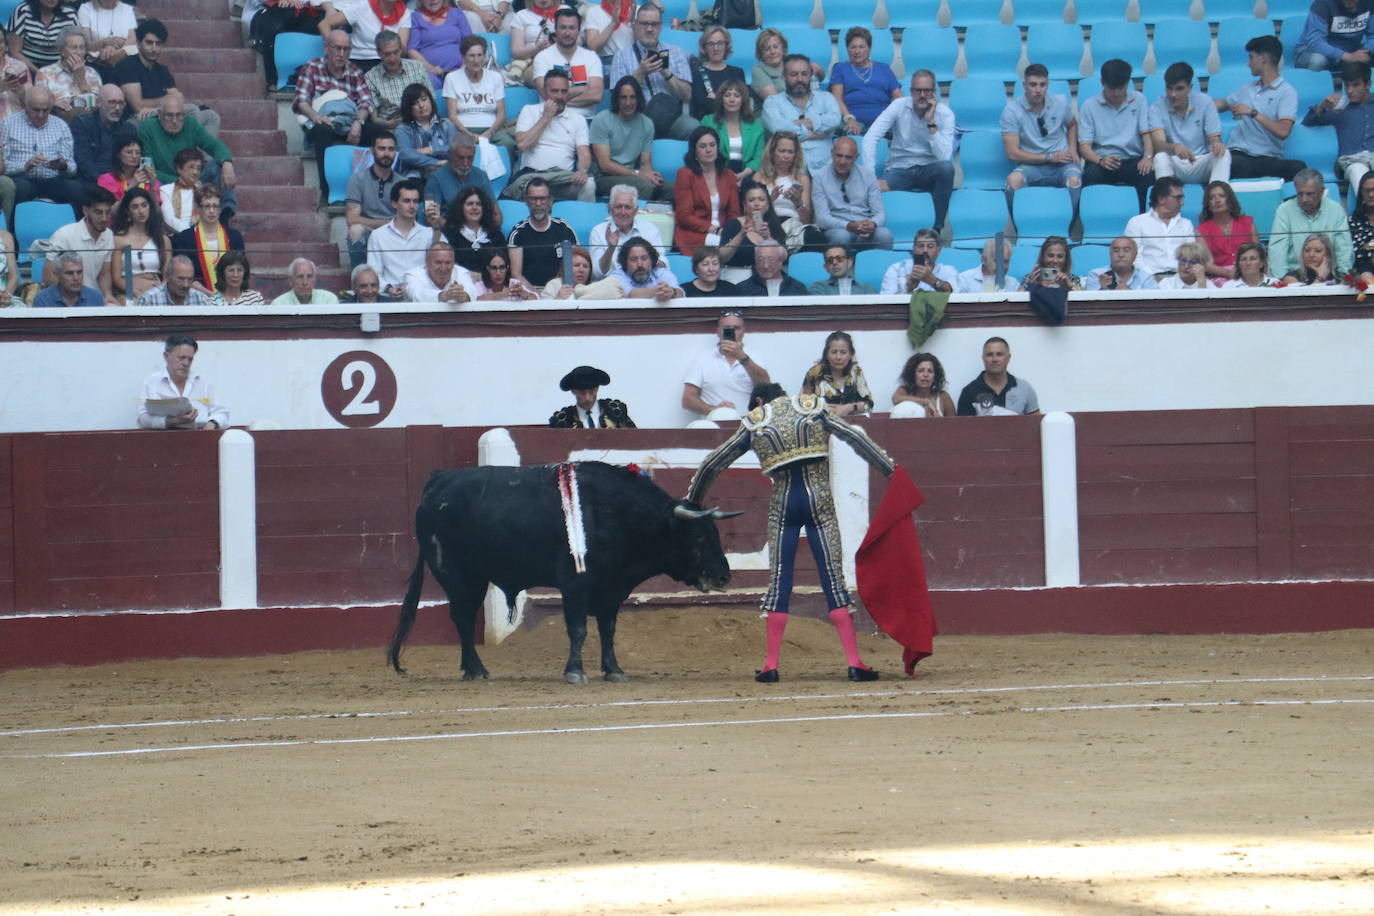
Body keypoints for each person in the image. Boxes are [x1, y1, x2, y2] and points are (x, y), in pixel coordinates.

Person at [684, 379, 893, 682]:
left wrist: (693, 500)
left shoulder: (755, 422)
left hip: (784, 503)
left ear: (758, 402)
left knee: (780, 581)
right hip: (819, 499)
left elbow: (714, 463)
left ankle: (771, 665)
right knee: (833, 578)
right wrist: (890, 469)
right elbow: (855, 438)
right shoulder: (812, 407)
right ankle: (854, 662)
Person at [294, 29, 381, 202]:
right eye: (337, 48)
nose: (341, 54)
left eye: (346, 49)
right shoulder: (312, 67)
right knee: (323, 132)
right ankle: (327, 192)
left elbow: (366, 102)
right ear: (327, 48)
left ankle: (374, 192)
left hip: (349, 122)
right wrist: (315, 116)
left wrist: (359, 121)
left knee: (378, 134)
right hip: (321, 121)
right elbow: (301, 100)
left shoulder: (355, 72)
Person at [864, 69, 955, 233]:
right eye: (917, 90)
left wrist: (931, 122)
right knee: (874, 188)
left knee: (947, 169)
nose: (922, 95)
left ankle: (936, 229)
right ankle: (874, 231)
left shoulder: (945, 114)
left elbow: (944, 156)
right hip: (900, 168)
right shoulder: (898, 106)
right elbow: (871, 137)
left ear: (934, 92)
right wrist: (870, 176)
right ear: (911, 91)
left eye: (926, 91)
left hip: (930, 168)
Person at [1217, 35, 1306, 181]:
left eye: (1251, 57)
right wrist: (1196, 104)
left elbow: (1283, 131)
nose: (1248, 63)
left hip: (1269, 158)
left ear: (1264, 58)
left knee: (1299, 168)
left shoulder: (1287, 92)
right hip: (1240, 154)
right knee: (1230, 163)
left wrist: (1253, 113)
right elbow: (1223, 104)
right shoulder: (1247, 88)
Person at [138, 91, 238, 219]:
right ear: (160, 115)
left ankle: (225, 213)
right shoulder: (147, 128)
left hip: (192, 177)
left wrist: (227, 163)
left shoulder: (190, 123)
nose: (175, 121)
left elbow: (214, 145)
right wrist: (181, 182)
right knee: (151, 181)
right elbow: (147, 167)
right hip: (164, 180)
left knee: (218, 165)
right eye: (169, 116)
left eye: (179, 115)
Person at [113, 19, 219, 134]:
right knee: (191, 110)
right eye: (149, 43)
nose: (154, 49)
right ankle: (183, 150)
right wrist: (166, 101)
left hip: (159, 113)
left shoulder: (162, 70)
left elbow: (178, 99)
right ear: (138, 43)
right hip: (135, 119)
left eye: (158, 44)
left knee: (211, 117)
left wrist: (159, 107)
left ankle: (195, 152)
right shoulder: (127, 65)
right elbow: (138, 106)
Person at [607, 3, 697, 140]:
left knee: (694, 129)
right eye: (644, 24)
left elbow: (686, 96)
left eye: (654, 24)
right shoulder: (621, 56)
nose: (649, 29)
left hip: (671, 117)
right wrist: (640, 73)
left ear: (660, 26)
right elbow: (616, 99)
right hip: (636, 120)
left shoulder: (676, 53)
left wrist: (668, 74)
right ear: (635, 25)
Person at [1077, 58, 1154, 211]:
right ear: (1102, 83)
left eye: (1121, 87)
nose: (1117, 93)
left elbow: (1147, 135)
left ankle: (1142, 220)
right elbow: (1084, 147)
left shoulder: (1139, 100)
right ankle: (1096, 221)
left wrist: (1148, 157)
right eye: (1112, 88)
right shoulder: (1089, 106)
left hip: (1133, 160)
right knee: (1090, 176)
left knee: (1149, 175)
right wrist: (1100, 160)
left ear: (1128, 82)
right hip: (1102, 160)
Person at [508, 69, 595, 202]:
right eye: (554, 91)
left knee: (588, 184)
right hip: (533, 177)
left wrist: (582, 170)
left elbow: (584, 154)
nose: (559, 96)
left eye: (564, 91)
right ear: (544, 91)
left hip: (562, 179)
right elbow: (523, 145)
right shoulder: (529, 111)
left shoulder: (578, 119)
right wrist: (546, 117)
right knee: (522, 185)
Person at [1002, 63, 1082, 203]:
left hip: (1063, 163)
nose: (1038, 90)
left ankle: (1069, 224)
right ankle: (1019, 225)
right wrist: (1049, 157)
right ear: (1024, 85)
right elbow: (1012, 153)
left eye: (1042, 85)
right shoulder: (1012, 111)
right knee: (1012, 181)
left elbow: (1072, 124)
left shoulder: (1060, 102)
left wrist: (1073, 149)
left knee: (1074, 180)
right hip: (1031, 165)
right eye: (1033, 85)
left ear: (1047, 85)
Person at [5, 85, 81, 217]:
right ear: (26, 106)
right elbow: (4, 166)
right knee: (21, 188)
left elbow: (72, 168)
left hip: (52, 179)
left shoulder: (61, 126)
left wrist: (63, 166)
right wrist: (25, 166)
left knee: (76, 189)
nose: (40, 115)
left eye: (45, 110)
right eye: (36, 110)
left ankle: (75, 232)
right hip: (23, 179)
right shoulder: (8, 124)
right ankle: (15, 232)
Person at [1149, 61, 1230, 186]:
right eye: (1169, 88)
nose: (1173, 94)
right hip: (1175, 162)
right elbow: (1158, 144)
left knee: (1224, 154)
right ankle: (1165, 200)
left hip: (1200, 161)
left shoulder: (1205, 101)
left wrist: (1216, 144)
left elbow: (1214, 138)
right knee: (1160, 157)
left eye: (1179, 88)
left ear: (1189, 88)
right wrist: (1174, 147)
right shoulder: (1156, 107)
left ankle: (1216, 196)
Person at [681, 309, 771, 416]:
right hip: (714, 423)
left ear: (743, 332)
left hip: (746, 424)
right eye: (727, 328)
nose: (732, 332)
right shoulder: (703, 359)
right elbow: (687, 400)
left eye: (736, 328)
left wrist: (742, 357)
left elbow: (766, 387)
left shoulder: (754, 357)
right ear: (718, 332)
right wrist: (715, 410)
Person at [762, 54, 841, 174]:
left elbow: (835, 120)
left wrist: (806, 124)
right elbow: (779, 129)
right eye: (793, 75)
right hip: (789, 172)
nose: (800, 79)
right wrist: (816, 132)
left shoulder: (826, 98)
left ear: (810, 75)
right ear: (784, 76)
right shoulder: (773, 102)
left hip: (826, 171)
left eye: (804, 74)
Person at [1268, 167, 1353, 277]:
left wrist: (1343, 276)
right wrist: (1283, 281)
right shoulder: (1284, 210)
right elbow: (1277, 252)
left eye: (1309, 194)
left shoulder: (1335, 210)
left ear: (1321, 191)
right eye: (1300, 193)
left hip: (1330, 276)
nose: (1304, 199)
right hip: (1294, 276)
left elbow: (1344, 249)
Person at [1301, 59, 1374, 187]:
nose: (1350, 90)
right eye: (1347, 85)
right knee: (1358, 172)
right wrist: (1321, 106)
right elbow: (1307, 122)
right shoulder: (1340, 107)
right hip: (1350, 161)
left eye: (1356, 85)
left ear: (1368, 84)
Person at [589, 76, 663, 202]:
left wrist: (651, 176)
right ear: (617, 99)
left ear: (639, 98)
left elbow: (645, 164)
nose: (628, 103)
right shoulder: (602, 119)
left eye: (632, 97)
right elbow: (605, 165)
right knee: (644, 186)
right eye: (623, 97)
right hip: (604, 178)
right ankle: (635, 220)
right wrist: (638, 174)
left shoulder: (647, 123)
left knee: (674, 189)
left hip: (633, 176)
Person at [812, 135, 892, 250]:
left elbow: (880, 214)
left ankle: (883, 267)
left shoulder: (868, 176)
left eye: (848, 157)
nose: (842, 161)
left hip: (864, 228)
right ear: (832, 153)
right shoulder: (819, 177)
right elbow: (822, 219)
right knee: (842, 236)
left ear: (856, 157)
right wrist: (849, 226)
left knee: (884, 235)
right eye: (839, 156)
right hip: (837, 229)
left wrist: (872, 224)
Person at [137, 334, 228, 430]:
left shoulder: (203, 382)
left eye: (190, 359)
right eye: (181, 358)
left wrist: (212, 424)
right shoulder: (153, 382)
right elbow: (142, 418)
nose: (186, 363)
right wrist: (170, 421)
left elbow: (222, 413)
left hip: (200, 436)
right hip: (163, 437)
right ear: (166, 356)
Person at [673, 124, 739, 255]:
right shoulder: (685, 174)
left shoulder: (728, 175)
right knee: (731, 248)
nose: (709, 150)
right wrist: (714, 229)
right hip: (695, 234)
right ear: (694, 151)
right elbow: (684, 217)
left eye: (712, 145)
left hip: (723, 234)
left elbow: (734, 213)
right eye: (703, 146)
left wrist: (729, 232)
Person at [442, 35, 513, 157]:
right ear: (463, 58)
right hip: (463, 129)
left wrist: (488, 134)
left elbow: (501, 114)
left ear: (485, 56)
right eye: (471, 56)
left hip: (491, 129)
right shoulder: (452, 78)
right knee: (457, 147)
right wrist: (469, 135)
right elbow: (452, 116)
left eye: (480, 55)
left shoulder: (495, 77)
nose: (476, 60)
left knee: (508, 143)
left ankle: (509, 176)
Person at [43, 184, 114, 298]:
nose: (104, 218)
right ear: (85, 211)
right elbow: (49, 276)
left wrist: (107, 295)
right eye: (98, 212)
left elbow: (104, 274)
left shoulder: (109, 235)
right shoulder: (64, 235)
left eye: (108, 212)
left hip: (93, 299)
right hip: (65, 301)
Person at [368, 179, 438, 295]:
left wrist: (436, 225)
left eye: (415, 201)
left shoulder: (429, 233)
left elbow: (443, 263)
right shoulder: (378, 236)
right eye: (406, 201)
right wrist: (389, 289)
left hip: (423, 295)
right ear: (394, 203)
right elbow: (374, 273)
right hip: (390, 297)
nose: (412, 206)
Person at [532, 8, 604, 121]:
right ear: (555, 29)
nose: (567, 33)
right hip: (553, 119)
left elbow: (596, 95)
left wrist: (560, 100)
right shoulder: (542, 57)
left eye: (572, 28)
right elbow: (546, 95)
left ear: (579, 30)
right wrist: (583, 89)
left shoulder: (591, 57)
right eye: (563, 27)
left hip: (586, 120)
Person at [171, 184, 246, 293]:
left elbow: (241, 270)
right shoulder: (184, 239)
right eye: (207, 206)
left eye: (215, 206)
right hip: (196, 296)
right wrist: (211, 295)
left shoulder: (234, 237)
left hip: (230, 295)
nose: (212, 211)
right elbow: (182, 275)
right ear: (198, 209)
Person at [506, 176, 578, 287]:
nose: (538, 203)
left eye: (542, 199)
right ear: (526, 201)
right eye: (533, 199)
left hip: (560, 291)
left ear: (550, 201)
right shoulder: (518, 233)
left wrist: (554, 292)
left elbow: (576, 264)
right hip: (529, 296)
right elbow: (516, 275)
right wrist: (537, 296)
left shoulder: (565, 229)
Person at [344, 131, 401, 266]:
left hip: (396, 235)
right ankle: (359, 278)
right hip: (368, 233)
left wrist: (390, 225)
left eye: (391, 149)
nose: (386, 153)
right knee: (356, 230)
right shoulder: (357, 179)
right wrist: (388, 222)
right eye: (382, 148)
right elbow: (352, 220)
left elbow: (404, 222)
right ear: (372, 151)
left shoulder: (402, 183)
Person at [829, 26, 901, 133]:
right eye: (853, 47)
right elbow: (836, 99)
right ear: (847, 49)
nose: (857, 51)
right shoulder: (840, 68)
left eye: (861, 47)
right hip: (854, 121)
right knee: (850, 131)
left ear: (869, 48)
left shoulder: (884, 68)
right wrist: (849, 118)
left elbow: (899, 97)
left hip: (884, 121)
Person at [1124, 176, 1196, 279]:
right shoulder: (1137, 222)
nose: (1182, 203)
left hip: (1181, 279)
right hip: (1147, 280)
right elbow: (1133, 257)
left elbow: (1192, 255)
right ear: (1161, 199)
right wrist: (1151, 277)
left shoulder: (1186, 224)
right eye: (1178, 198)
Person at [758, 130, 818, 252]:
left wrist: (798, 203)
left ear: (796, 155)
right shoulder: (760, 178)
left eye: (790, 152)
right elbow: (755, 218)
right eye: (782, 151)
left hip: (795, 226)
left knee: (815, 237)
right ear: (772, 152)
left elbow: (806, 220)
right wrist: (769, 201)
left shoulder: (803, 179)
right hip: (769, 225)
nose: (786, 156)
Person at [589, 184, 663, 278]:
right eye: (618, 207)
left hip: (644, 283)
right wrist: (610, 249)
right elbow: (597, 273)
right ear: (610, 209)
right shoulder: (598, 231)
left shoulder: (650, 229)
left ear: (635, 211)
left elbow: (663, 264)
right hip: (612, 286)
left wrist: (648, 260)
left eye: (627, 207)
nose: (623, 212)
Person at [718, 182, 787, 281]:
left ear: (768, 205)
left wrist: (768, 238)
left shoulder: (774, 226)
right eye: (751, 200)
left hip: (765, 279)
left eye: (761, 200)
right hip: (736, 278)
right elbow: (720, 258)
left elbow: (783, 257)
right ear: (745, 206)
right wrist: (741, 235)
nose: (756, 204)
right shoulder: (733, 225)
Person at [956, 336, 1040, 416]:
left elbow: (1036, 425)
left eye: (999, 354)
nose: (994, 359)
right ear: (983, 358)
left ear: (1008, 358)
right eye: (989, 354)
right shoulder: (969, 392)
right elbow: (963, 429)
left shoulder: (1024, 388)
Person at [110, 186, 169, 301]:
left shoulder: (163, 240)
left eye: (144, 205)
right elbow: (116, 278)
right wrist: (136, 292)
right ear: (128, 211)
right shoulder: (119, 239)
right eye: (135, 207)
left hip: (157, 292)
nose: (141, 211)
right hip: (128, 293)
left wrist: (157, 292)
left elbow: (167, 275)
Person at [701, 78, 763, 186]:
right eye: (727, 95)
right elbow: (701, 153)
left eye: (737, 96)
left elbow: (758, 158)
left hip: (747, 175)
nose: (732, 100)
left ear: (743, 100)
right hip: (716, 173)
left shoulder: (757, 126)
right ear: (721, 99)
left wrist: (743, 174)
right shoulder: (708, 122)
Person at [1195, 179, 1260, 281]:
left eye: (1222, 196)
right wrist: (1228, 273)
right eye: (1212, 197)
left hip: (1249, 273)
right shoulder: (1202, 230)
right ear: (1208, 204)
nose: (1217, 200)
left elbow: (1258, 254)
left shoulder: (1247, 222)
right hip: (1219, 278)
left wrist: (1243, 270)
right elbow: (1205, 263)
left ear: (1230, 200)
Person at [72, 82, 135, 187]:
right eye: (112, 102)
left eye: (121, 103)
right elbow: (83, 162)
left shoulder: (129, 129)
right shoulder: (82, 124)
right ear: (98, 103)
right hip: (91, 181)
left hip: (122, 180)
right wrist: (105, 182)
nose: (117, 108)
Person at [799, 330, 873, 418]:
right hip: (822, 425)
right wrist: (825, 409)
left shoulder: (856, 372)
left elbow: (869, 404)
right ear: (826, 354)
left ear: (850, 355)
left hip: (852, 425)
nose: (838, 357)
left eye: (843, 352)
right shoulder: (815, 373)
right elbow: (802, 403)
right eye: (834, 352)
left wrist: (848, 408)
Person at [366, 30, 429, 130]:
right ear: (379, 53)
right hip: (391, 127)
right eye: (387, 54)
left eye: (395, 52)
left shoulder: (417, 68)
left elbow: (431, 101)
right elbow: (375, 118)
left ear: (401, 50)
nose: (392, 58)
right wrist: (389, 124)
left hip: (420, 122)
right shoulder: (371, 77)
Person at [319, 0, 409, 71]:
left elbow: (402, 48)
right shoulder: (362, 6)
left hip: (389, 60)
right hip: (359, 61)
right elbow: (324, 24)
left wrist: (397, 45)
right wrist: (334, 48)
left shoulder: (405, 12)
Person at [395, 81, 459, 179]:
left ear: (431, 100)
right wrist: (436, 162)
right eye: (414, 103)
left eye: (424, 99)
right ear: (408, 108)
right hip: (414, 175)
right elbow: (405, 154)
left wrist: (432, 149)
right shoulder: (403, 129)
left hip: (445, 172)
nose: (421, 105)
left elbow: (456, 149)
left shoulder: (447, 124)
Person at [406, 0, 472, 90]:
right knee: (428, 83)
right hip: (432, 73)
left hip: (461, 69)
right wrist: (431, 68)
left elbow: (471, 42)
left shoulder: (456, 13)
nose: (433, 0)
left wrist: (465, 65)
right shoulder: (415, 17)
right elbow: (412, 50)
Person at [35, 26, 99, 118]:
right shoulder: (45, 73)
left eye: (82, 48)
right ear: (62, 51)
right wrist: (53, 103)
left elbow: (95, 108)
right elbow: (38, 104)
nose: (78, 52)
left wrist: (82, 80)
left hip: (86, 124)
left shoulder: (92, 74)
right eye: (74, 48)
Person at [1293, 0, 1374, 71]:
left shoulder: (1369, 3)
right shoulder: (1322, 4)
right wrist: (1345, 56)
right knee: (1319, 61)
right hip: (1310, 51)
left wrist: (1366, 51)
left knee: (1367, 56)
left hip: (1350, 50)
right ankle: (1313, 86)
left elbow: (1372, 36)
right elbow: (1315, 43)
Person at [548, 364, 636, 428]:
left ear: (597, 388)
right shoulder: (562, 421)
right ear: (573, 391)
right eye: (581, 391)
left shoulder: (616, 412)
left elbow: (634, 441)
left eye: (591, 390)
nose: (587, 397)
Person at [442, 184, 504, 272]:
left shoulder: (495, 235)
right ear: (460, 208)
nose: (474, 208)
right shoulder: (450, 234)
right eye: (470, 204)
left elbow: (503, 266)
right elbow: (451, 267)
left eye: (478, 204)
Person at [689, 26, 745, 122]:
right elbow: (700, 105)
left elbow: (743, 103)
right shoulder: (697, 73)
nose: (716, 48)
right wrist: (727, 101)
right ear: (704, 47)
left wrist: (716, 99)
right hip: (706, 125)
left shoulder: (737, 73)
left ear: (726, 45)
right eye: (711, 44)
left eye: (720, 43)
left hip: (733, 123)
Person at [423, 133, 493, 210]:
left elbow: (496, 214)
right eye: (461, 158)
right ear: (450, 154)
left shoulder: (482, 176)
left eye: (470, 158)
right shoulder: (434, 179)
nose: (466, 164)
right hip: (448, 221)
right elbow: (430, 217)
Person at [7, 0, 79, 73]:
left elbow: (76, 48)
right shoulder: (22, 11)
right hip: (27, 67)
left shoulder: (70, 14)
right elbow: (14, 51)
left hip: (61, 69)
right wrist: (36, 71)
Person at [879, 228, 958, 294]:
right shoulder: (896, 269)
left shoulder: (948, 271)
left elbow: (955, 296)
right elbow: (885, 305)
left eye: (930, 246)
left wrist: (931, 280)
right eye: (920, 246)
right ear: (913, 248)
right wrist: (906, 288)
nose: (925, 250)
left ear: (939, 250)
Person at [750, 28, 820, 100]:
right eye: (767, 49)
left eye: (775, 47)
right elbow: (774, 100)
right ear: (761, 53)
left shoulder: (790, 63)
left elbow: (820, 77)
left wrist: (817, 69)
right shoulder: (758, 70)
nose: (772, 52)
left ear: (783, 48)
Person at [607, 235, 683, 300]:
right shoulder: (617, 276)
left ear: (652, 260)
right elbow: (632, 294)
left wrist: (672, 292)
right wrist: (659, 291)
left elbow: (680, 294)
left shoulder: (661, 273)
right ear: (625, 262)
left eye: (644, 258)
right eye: (633, 259)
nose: (639, 264)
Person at [402, 240, 479, 302]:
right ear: (427, 262)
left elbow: (471, 292)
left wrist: (463, 296)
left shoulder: (461, 272)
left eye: (448, 263)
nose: (443, 268)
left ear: (454, 263)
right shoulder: (412, 275)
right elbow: (417, 295)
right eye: (438, 263)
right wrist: (444, 296)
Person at [78, 0, 137, 77]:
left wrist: (113, 47)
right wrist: (104, 42)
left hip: (124, 62)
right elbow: (86, 44)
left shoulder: (127, 9)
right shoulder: (86, 9)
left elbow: (133, 39)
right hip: (97, 65)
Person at [892, 351, 956, 418]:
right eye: (920, 371)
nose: (925, 375)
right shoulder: (905, 390)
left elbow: (954, 425)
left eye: (930, 371)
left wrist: (938, 421)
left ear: (936, 376)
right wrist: (925, 402)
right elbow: (896, 399)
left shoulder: (943, 397)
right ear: (913, 374)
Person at [1083, 236, 1160, 290]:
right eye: (1116, 251)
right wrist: (1102, 290)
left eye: (1126, 250)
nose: (1121, 255)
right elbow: (1089, 307)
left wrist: (1130, 294)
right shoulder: (1096, 275)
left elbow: (1155, 305)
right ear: (1110, 254)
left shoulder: (1146, 277)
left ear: (1135, 255)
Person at [136, 253, 216, 306]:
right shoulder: (149, 299)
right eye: (180, 279)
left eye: (190, 279)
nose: (186, 284)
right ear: (167, 276)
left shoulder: (201, 299)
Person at [735, 240, 807, 296]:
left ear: (780, 261)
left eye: (771, 259)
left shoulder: (797, 288)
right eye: (760, 260)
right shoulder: (742, 289)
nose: (765, 265)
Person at [33, 250, 105, 307]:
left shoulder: (95, 298)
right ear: (57, 275)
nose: (76, 278)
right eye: (69, 273)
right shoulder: (43, 300)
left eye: (79, 272)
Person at [158, 145, 203, 234]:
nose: (195, 172)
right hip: (176, 239)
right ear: (179, 169)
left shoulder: (203, 192)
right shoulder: (165, 190)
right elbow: (169, 220)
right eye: (191, 167)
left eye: (198, 168)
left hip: (202, 238)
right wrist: (191, 234)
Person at [97, 134, 155, 201]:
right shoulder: (106, 179)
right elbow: (111, 210)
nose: (134, 156)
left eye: (137, 152)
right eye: (129, 152)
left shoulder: (147, 179)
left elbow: (157, 210)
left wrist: (152, 186)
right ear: (118, 154)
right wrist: (132, 185)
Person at [1019, 235, 1084, 291]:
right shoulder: (1029, 278)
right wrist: (1031, 284)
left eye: (1060, 256)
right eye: (1050, 256)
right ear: (1043, 257)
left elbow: (1084, 302)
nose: (1055, 261)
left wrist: (1069, 285)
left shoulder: (1072, 279)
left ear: (1066, 258)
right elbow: (1017, 300)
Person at [955, 237, 1021, 293]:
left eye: (1006, 261)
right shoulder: (965, 280)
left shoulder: (1013, 284)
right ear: (984, 259)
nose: (1002, 267)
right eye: (997, 261)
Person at [507, 0, 559, 70]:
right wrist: (536, 49)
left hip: (560, 59)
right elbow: (516, 52)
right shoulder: (521, 15)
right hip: (533, 61)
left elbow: (576, 43)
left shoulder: (565, 11)